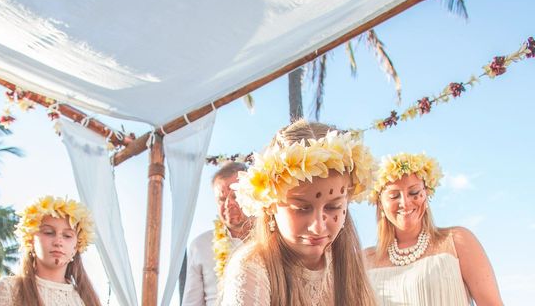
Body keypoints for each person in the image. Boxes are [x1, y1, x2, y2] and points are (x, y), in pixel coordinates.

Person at [219, 119, 377, 306]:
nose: (318, 226)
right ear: (270, 205)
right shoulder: (251, 269)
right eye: (301, 208)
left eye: (332, 207)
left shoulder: (347, 263)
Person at [365, 152, 503, 305]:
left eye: (414, 192)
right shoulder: (364, 260)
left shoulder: (457, 241)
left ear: (426, 194)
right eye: (394, 196)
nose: (405, 202)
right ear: (380, 203)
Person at [0, 196, 101, 306]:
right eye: (49, 233)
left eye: (67, 235)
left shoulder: (86, 299)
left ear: (76, 246)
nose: (58, 242)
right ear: (31, 240)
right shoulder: (8, 289)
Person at [183, 162, 252, 306]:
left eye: (235, 195)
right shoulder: (200, 245)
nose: (228, 204)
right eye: (222, 199)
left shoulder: (272, 238)